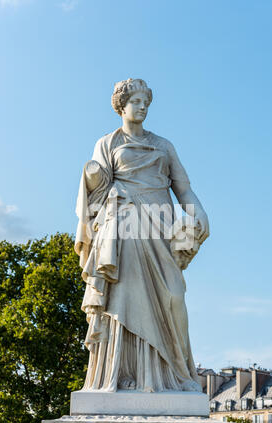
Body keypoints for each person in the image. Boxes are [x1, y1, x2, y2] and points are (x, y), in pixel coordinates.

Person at [75, 78, 209, 393]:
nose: (143, 107)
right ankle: (123, 375)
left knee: (174, 296)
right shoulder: (106, 143)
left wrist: (199, 212)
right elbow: (96, 190)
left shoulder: (164, 146)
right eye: (136, 102)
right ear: (121, 106)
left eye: (146, 102)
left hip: (160, 227)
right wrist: (93, 178)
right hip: (123, 229)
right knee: (124, 301)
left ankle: (178, 374)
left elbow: (183, 188)